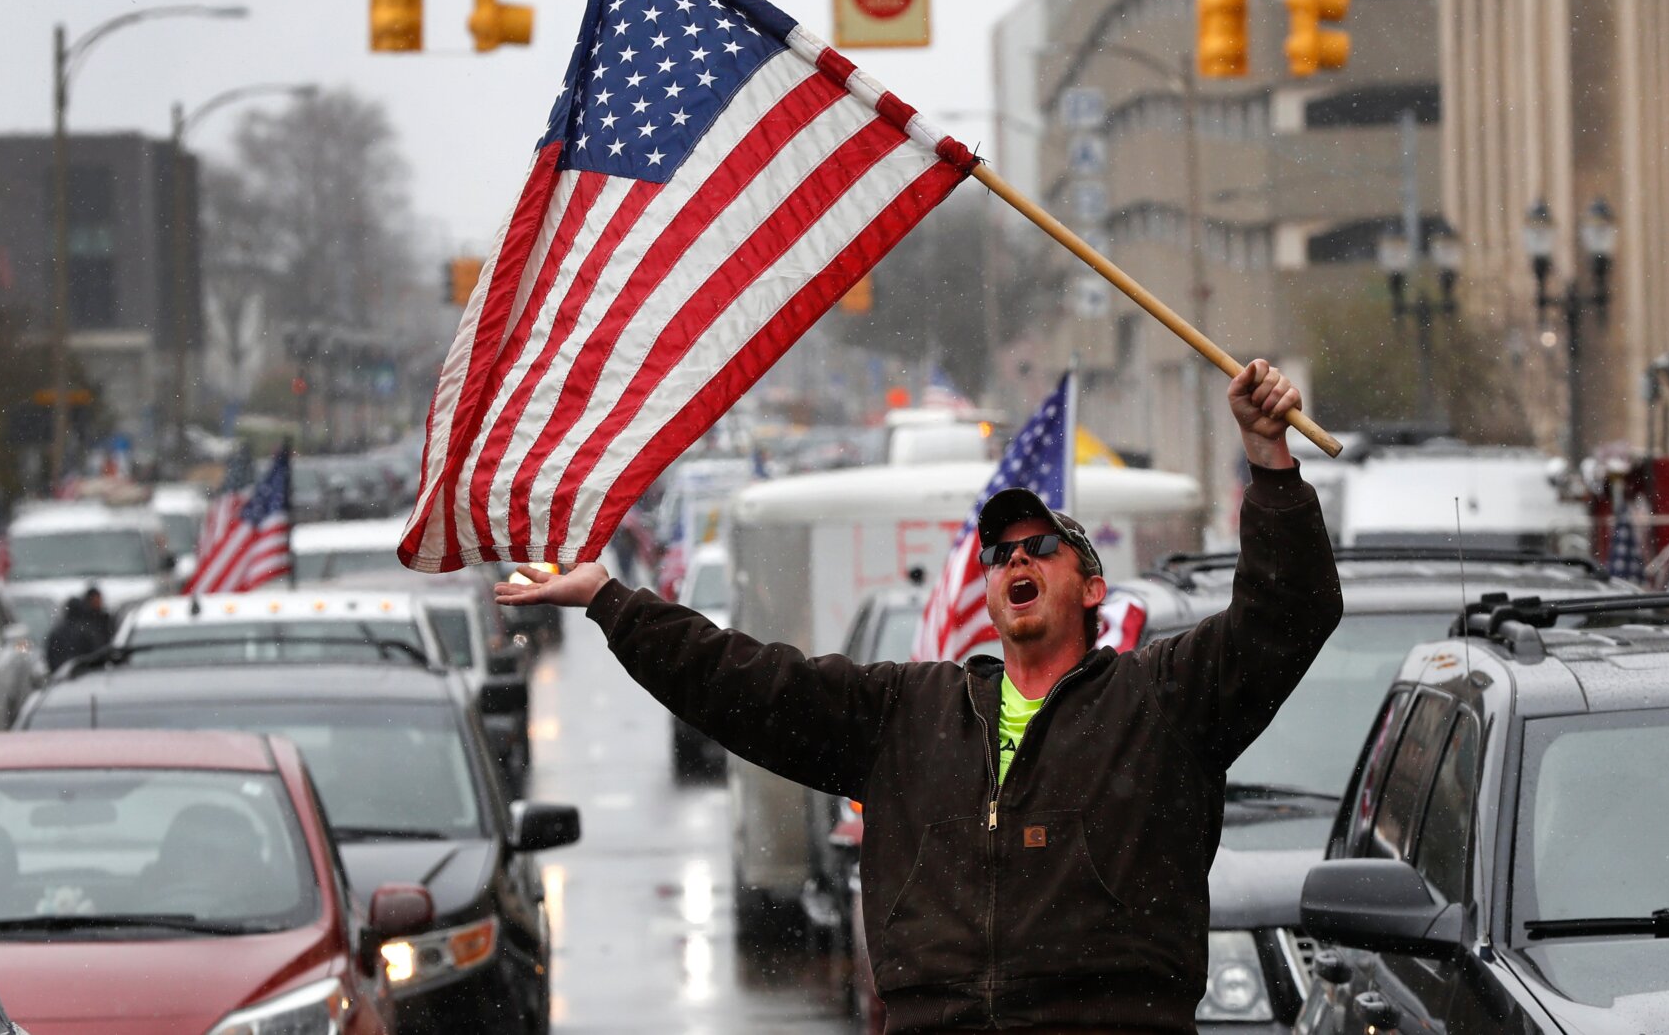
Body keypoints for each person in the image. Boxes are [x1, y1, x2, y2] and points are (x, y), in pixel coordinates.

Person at [499, 360, 1344, 1034]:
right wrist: (612, 601)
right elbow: (741, 684)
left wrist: (1269, 463)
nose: (1014, 561)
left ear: (1091, 589)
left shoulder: (1159, 701)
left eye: (1041, 547)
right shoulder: (910, 713)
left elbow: (1287, 615)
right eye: (997, 554)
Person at [44, 587, 115, 671]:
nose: (98, 602)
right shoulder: (87, 630)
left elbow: (50, 656)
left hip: (63, 675)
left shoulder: (57, 631)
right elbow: (96, 654)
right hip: (82, 675)